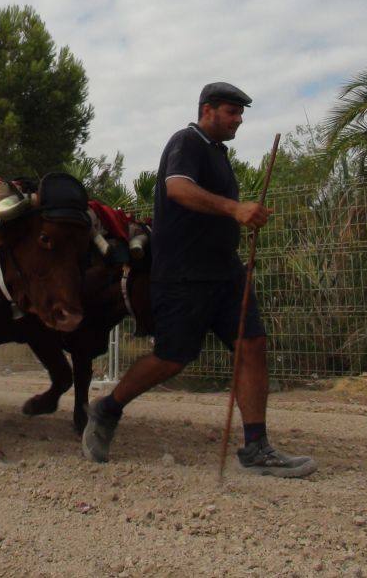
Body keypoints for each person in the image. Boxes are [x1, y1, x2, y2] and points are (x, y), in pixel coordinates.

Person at [81, 82, 316, 477]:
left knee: (252, 344)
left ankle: (256, 448)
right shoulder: (186, 142)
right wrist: (235, 209)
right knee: (172, 358)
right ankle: (107, 408)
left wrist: (245, 217)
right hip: (183, 275)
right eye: (232, 112)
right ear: (208, 110)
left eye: (241, 113)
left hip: (226, 273)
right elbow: (178, 189)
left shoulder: (218, 155)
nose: (239, 120)